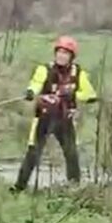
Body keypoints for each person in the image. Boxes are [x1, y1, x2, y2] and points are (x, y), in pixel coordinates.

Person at [10, 36, 97, 192]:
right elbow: (35, 84)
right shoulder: (45, 69)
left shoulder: (78, 73)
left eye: (66, 53)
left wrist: (75, 96)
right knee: (33, 152)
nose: (61, 56)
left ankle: (74, 186)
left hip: (65, 120)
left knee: (71, 153)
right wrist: (31, 92)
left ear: (71, 56)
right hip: (44, 118)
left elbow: (89, 93)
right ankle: (19, 187)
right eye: (59, 52)